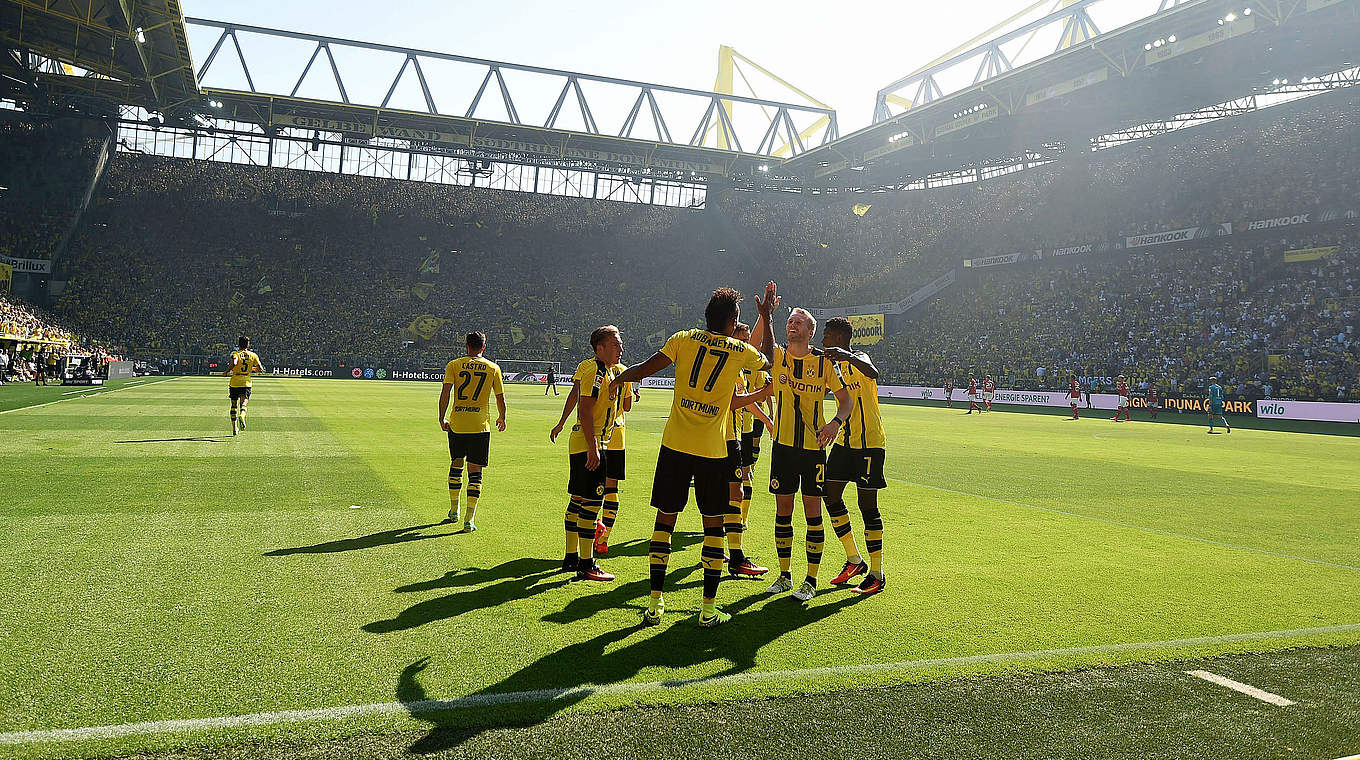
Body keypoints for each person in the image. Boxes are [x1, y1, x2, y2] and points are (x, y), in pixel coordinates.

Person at [611, 288, 770, 628]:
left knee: (664, 522)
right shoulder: (740, 349)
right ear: (731, 322)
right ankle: (709, 610)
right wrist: (767, 317)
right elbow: (768, 360)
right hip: (713, 450)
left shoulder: (683, 338)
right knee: (714, 527)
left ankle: (654, 604)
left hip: (674, 447)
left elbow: (644, 369)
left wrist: (620, 378)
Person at [753, 283, 854, 603]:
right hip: (782, 447)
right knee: (783, 512)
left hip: (812, 450)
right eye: (789, 320)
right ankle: (784, 575)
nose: (791, 323)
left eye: (798, 321)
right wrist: (766, 317)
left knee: (812, 513)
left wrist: (835, 423)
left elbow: (845, 401)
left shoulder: (824, 363)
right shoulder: (779, 357)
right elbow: (764, 353)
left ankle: (810, 580)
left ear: (810, 331)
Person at [821, 317, 887, 595]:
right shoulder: (832, 367)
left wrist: (846, 355)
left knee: (867, 506)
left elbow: (873, 372)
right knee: (829, 494)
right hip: (845, 443)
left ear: (838, 338)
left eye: (826, 335)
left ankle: (877, 573)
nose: (823, 339)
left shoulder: (858, 357)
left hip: (870, 444)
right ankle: (854, 559)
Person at [550, 357, 637, 555]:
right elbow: (628, 406)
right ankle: (603, 539)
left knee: (583, 495)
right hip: (617, 434)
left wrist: (562, 421)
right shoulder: (624, 371)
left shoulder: (585, 366)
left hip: (594, 435)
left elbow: (576, 395)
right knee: (611, 488)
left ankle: (579, 552)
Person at [559, 326, 625, 582]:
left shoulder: (605, 371)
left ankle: (571, 557)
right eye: (616, 344)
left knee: (578, 499)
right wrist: (593, 446)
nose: (621, 349)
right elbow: (585, 410)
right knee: (592, 503)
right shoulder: (597, 372)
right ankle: (586, 563)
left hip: (585, 441)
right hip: (591, 441)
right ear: (600, 348)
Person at [437, 332, 507, 533]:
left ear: (466, 346)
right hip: (480, 426)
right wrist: (502, 417)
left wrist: (442, 417)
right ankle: (469, 520)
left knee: (456, 464)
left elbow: (445, 393)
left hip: (458, 423)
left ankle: (453, 511)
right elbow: (500, 398)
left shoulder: (454, 365)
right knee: (475, 472)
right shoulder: (493, 368)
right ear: (483, 347)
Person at [734, 322, 775, 577]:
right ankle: (730, 542)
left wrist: (768, 416)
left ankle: (740, 521)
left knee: (745, 476)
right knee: (734, 483)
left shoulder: (749, 364)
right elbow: (746, 398)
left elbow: (759, 393)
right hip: (730, 430)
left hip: (745, 428)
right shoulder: (735, 362)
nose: (749, 340)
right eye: (745, 336)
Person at [222, 336, 265, 435]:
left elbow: (234, 362)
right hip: (246, 381)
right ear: (248, 345)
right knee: (244, 401)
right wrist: (251, 369)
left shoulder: (235, 353)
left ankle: (234, 429)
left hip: (235, 381)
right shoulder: (253, 355)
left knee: (233, 406)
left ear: (238, 344)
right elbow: (260, 369)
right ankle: (242, 414)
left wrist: (226, 371)